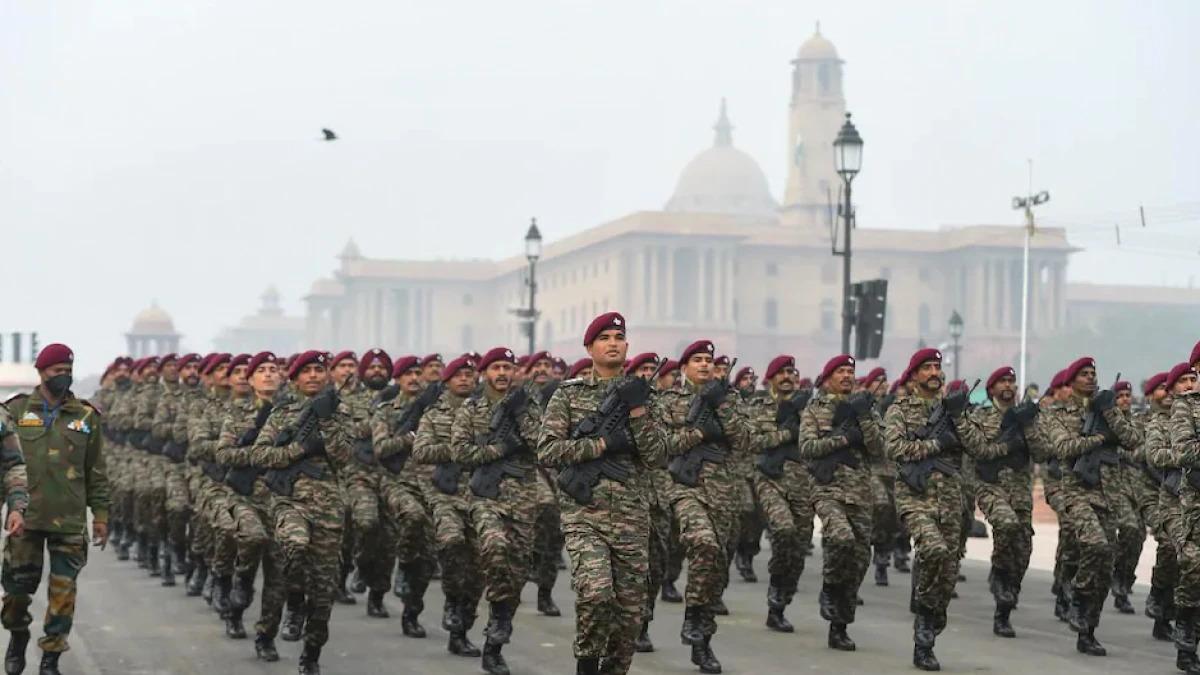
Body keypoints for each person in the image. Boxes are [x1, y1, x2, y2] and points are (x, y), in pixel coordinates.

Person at [537, 312, 666, 675]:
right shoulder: (569, 395)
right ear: (590, 347)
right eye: (605, 337)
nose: (613, 343)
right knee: (595, 595)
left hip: (631, 518)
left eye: (619, 337)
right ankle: (586, 666)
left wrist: (638, 409)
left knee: (629, 615)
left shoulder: (646, 397)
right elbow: (547, 451)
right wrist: (601, 444)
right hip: (584, 515)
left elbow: (657, 456)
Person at [250, 350, 352, 675]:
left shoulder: (339, 411)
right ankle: (293, 601)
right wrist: (299, 449)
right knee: (293, 546)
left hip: (329, 509)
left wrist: (326, 420)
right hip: (289, 500)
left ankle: (311, 654)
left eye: (318, 371)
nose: (312, 376)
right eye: (305, 371)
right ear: (294, 378)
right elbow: (261, 455)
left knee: (323, 593)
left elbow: (345, 455)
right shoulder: (282, 413)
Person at [883, 348, 984, 671]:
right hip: (915, 496)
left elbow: (980, 448)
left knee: (948, 574)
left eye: (937, 367)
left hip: (951, 500)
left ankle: (929, 621)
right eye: (926, 367)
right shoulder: (900, 410)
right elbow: (894, 448)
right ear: (914, 376)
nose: (934, 372)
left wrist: (958, 417)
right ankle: (923, 634)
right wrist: (935, 445)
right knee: (934, 550)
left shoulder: (954, 410)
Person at [3, 344, 99, 675]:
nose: (64, 377)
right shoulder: (15, 412)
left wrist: (101, 515)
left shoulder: (86, 416)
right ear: (41, 372)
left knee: (63, 596)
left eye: (68, 371)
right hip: (26, 521)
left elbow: (96, 471)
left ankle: (50, 659)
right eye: (57, 371)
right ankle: (17, 636)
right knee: (16, 594)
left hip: (70, 521)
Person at [658, 339, 750, 673]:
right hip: (684, 488)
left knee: (716, 567)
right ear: (683, 368)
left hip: (724, 492)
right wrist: (698, 432)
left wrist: (722, 406)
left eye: (709, 359)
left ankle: (702, 633)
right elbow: (662, 445)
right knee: (704, 544)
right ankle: (695, 625)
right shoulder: (668, 401)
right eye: (697, 359)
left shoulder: (730, 398)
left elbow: (744, 440)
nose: (704, 364)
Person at [450, 346, 543, 675]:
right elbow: (460, 453)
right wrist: (498, 449)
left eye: (507, 367)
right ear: (484, 373)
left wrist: (521, 418)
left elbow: (542, 446)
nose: (502, 373)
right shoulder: (471, 409)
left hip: (521, 500)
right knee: (493, 547)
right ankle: (464, 620)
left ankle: (495, 641)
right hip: (484, 497)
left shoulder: (528, 408)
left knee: (515, 575)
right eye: (495, 368)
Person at [1045, 356, 1140, 657]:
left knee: (1104, 566)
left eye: (1093, 373)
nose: (1089, 377)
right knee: (1096, 547)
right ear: (1071, 381)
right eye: (1083, 374)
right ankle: (1075, 595)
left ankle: (1087, 629)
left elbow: (1134, 439)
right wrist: (1099, 437)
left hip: (1109, 496)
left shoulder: (1107, 408)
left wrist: (1109, 413)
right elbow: (1063, 447)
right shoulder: (1059, 412)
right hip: (1076, 493)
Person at [798, 354, 883, 651]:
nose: (847, 375)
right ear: (829, 376)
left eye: (851, 371)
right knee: (841, 538)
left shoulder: (864, 408)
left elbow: (879, 449)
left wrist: (864, 418)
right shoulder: (814, 409)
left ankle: (840, 625)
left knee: (860, 560)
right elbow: (807, 447)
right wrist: (843, 439)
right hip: (827, 488)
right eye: (841, 371)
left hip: (859, 492)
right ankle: (830, 587)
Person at [413, 355, 485, 658]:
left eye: (470, 375)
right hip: (445, 494)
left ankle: (461, 630)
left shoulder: (489, 413)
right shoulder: (433, 415)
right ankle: (452, 601)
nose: (465, 379)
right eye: (459, 375)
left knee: (479, 567)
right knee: (452, 541)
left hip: (482, 494)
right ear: (447, 380)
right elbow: (421, 450)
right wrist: (459, 449)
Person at [960, 366, 1037, 637]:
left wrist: (1029, 425)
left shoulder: (1026, 418)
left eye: (1012, 381)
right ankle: (999, 573)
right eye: (1003, 381)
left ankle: (1004, 606)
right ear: (991, 389)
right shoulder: (980, 417)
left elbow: (1042, 453)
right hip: (990, 486)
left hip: (1020, 492)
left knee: (1023, 551)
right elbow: (978, 450)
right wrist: (1007, 444)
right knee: (1005, 525)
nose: (1009, 385)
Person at [746, 355, 813, 633]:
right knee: (783, 530)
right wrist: (786, 434)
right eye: (782, 372)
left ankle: (779, 603)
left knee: (797, 549)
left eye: (792, 372)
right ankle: (775, 594)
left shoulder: (810, 407)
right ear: (771, 378)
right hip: (769, 478)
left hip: (802, 482)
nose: (788, 377)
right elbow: (751, 440)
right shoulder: (757, 406)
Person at [373, 356, 438, 638]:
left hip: (433, 486)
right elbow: (381, 449)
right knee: (412, 517)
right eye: (407, 374)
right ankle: (402, 564)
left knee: (428, 558)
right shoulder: (387, 411)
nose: (414, 378)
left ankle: (412, 612)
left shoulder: (436, 410)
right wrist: (408, 438)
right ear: (397, 379)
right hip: (397, 483)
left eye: (417, 373)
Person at [1137, 369, 1179, 644]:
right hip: (1151, 492)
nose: (1166, 393)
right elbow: (1139, 453)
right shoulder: (1143, 422)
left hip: (1180, 493)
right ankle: (1157, 593)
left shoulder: (1184, 420)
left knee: (1181, 556)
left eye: (1169, 387)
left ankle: (1164, 615)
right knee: (1168, 545)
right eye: (1160, 388)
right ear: (1151, 395)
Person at [1169, 356, 1200, 675]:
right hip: (1196, 503)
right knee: (1194, 569)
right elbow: (1184, 451)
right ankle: (1187, 639)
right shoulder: (1186, 406)